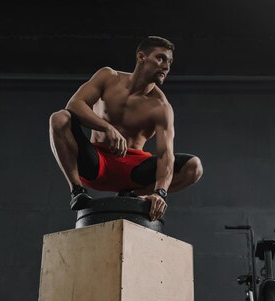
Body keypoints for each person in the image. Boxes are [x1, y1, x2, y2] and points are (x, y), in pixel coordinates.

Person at [49, 36, 202, 221]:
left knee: (194, 167)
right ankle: (77, 191)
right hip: (97, 163)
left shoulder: (161, 107)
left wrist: (160, 193)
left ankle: (132, 195)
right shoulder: (108, 77)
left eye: (169, 62)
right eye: (160, 58)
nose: (166, 66)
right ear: (141, 57)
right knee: (59, 118)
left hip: (133, 170)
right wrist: (107, 128)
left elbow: (165, 155)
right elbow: (74, 105)